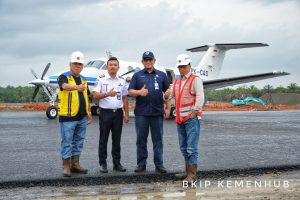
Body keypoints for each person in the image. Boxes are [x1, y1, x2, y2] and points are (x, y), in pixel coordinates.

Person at [128, 51, 170, 173]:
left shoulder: (162, 75)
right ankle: (141, 164)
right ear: (142, 62)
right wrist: (139, 92)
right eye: (145, 60)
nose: (148, 62)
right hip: (141, 113)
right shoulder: (137, 75)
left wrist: (167, 108)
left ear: (154, 61)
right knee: (141, 139)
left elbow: (167, 93)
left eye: (150, 60)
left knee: (158, 140)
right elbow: (130, 91)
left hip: (157, 112)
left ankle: (159, 164)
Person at [57, 51, 92, 177]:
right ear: (70, 64)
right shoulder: (64, 77)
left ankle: (75, 164)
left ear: (82, 66)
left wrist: (88, 113)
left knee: (79, 141)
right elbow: (64, 86)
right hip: (68, 116)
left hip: (81, 117)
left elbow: (87, 96)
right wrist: (77, 87)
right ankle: (66, 166)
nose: (77, 66)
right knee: (67, 141)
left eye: (80, 64)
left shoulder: (83, 79)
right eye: (75, 63)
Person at [93, 57, 129, 173]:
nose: (113, 66)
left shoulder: (122, 81)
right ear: (107, 67)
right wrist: (107, 94)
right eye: (110, 65)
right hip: (105, 113)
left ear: (118, 67)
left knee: (117, 139)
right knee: (103, 139)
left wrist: (126, 113)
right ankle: (103, 163)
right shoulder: (101, 80)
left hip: (118, 113)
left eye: (115, 65)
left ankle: (117, 163)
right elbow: (95, 95)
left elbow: (124, 97)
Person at [172, 54, 204, 183]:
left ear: (190, 65)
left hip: (191, 119)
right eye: (180, 67)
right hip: (180, 120)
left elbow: (200, 96)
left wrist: (195, 111)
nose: (182, 69)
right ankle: (187, 172)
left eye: (184, 66)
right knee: (183, 147)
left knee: (191, 148)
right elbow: (173, 96)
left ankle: (192, 174)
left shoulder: (195, 79)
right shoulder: (177, 81)